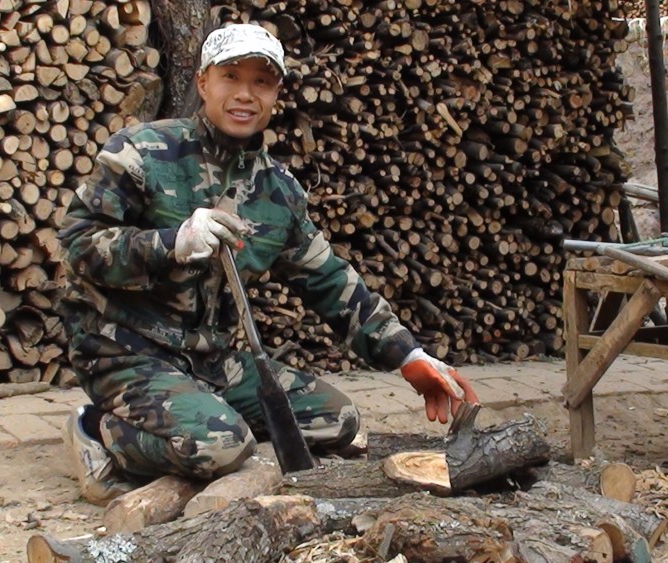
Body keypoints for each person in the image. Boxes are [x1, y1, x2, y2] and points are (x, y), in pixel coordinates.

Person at [58, 22, 480, 505]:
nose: (245, 94)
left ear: (276, 92)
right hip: (123, 352)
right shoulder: (141, 151)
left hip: (212, 361)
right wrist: (171, 243)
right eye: (231, 77)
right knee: (220, 446)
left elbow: (330, 280)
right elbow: (77, 246)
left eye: (261, 81)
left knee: (337, 420)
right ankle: (97, 431)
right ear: (203, 83)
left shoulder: (278, 192)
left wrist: (408, 356)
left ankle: (199, 419)